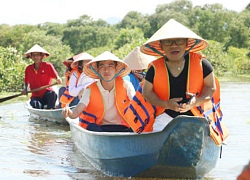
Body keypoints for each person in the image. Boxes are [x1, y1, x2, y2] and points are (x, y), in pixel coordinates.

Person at [124, 19, 228, 144]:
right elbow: (147, 92)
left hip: (196, 115)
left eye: (179, 41)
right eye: (168, 42)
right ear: (161, 46)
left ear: (186, 44)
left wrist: (195, 102)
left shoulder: (202, 64)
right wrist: (166, 104)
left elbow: (210, 88)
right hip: (165, 116)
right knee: (158, 139)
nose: (174, 45)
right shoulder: (154, 68)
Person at [62, 51, 135, 132]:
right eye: (102, 66)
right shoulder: (89, 89)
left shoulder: (127, 85)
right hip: (99, 127)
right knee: (91, 127)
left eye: (110, 66)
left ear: (116, 69)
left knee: (135, 128)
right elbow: (78, 110)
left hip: (123, 127)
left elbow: (136, 103)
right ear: (97, 70)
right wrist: (69, 113)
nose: (106, 70)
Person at [21, 44, 62, 109]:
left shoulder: (48, 66)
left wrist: (58, 79)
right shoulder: (28, 69)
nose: (35, 57)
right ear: (31, 56)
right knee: (36, 104)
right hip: (36, 95)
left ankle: (50, 109)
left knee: (52, 94)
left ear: (41, 56)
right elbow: (26, 82)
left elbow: (57, 77)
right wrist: (25, 89)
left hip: (47, 93)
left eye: (37, 55)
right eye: (33, 55)